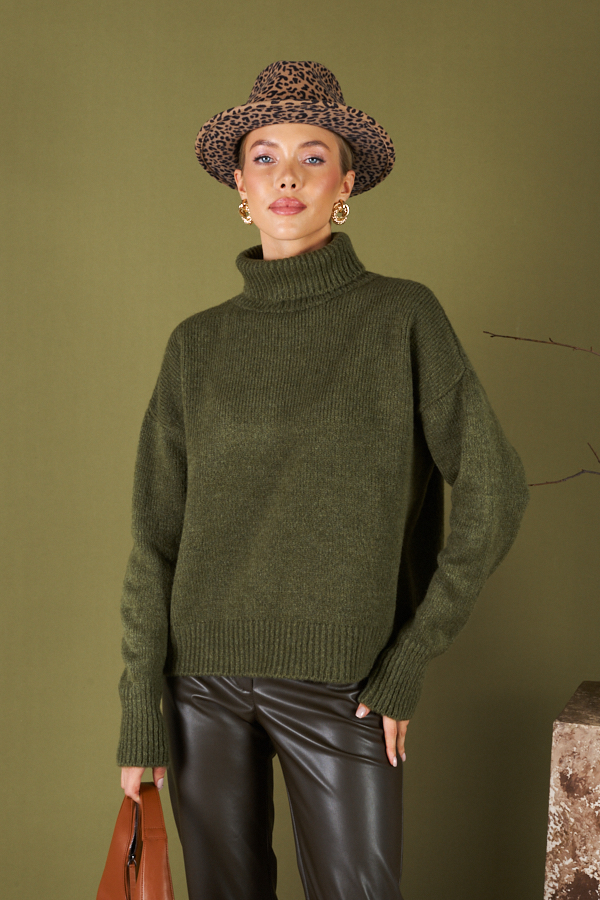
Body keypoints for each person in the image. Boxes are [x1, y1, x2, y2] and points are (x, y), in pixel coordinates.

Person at [116, 60, 529, 900]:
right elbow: (155, 540)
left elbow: (497, 490)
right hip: (200, 687)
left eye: (313, 157)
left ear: (346, 183)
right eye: (264, 158)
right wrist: (137, 711)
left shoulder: (402, 316)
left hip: (346, 683)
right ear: (239, 185)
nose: (287, 177)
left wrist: (408, 658)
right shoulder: (196, 344)